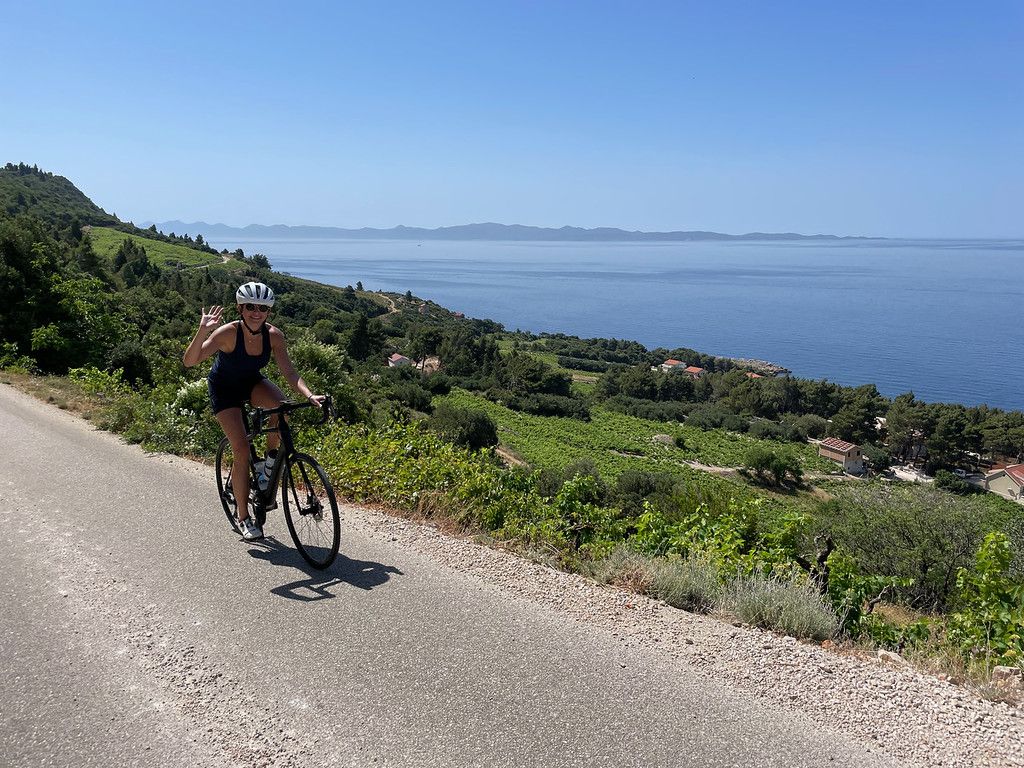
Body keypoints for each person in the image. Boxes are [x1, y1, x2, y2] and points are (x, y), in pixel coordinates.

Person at [183, 281, 325, 540]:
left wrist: (309, 394)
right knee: (241, 449)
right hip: (224, 390)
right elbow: (190, 361)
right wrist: (202, 331)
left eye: (263, 308)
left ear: (269, 311)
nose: (256, 312)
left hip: (250, 383)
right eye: (250, 306)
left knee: (281, 408)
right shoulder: (227, 333)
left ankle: (269, 463)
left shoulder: (274, 336)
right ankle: (244, 517)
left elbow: (290, 372)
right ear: (240, 308)